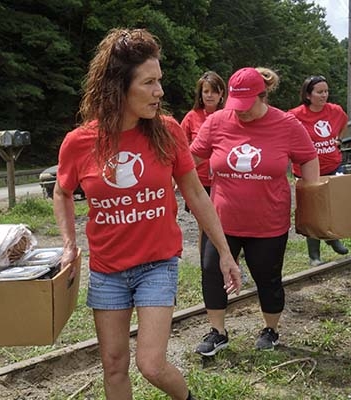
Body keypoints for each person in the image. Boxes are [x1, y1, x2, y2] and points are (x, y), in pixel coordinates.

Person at [53, 28, 242, 400]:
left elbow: (197, 195)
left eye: (160, 81)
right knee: (113, 363)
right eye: (149, 82)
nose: (159, 92)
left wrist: (223, 251)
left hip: (157, 264)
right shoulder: (79, 143)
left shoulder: (168, 132)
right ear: (117, 87)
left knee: (151, 364)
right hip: (107, 271)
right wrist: (68, 244)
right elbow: (62, 191)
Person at [190, 67, 319, 354]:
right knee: (212, 271)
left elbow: (308, 158)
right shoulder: (217, 122)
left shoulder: (286, 124)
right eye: (236, 106)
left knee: (266, 276)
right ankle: (217, 332)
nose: (241, 113)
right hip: (221, 219)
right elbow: (193, 156)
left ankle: (270, 329)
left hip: (268, 222)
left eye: (247, 107)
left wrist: (312, 193)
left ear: (263, 96)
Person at [288, 75, 350, 266]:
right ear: (308, 95)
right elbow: (283, 132)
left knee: (333, 207)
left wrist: (338, 140)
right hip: (307, 171)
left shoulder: (336, 111)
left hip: (333, 165)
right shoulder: (295, 115)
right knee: (311, 212)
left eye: (326, 91)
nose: (324, 95)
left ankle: (333, 238)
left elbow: (344, 124)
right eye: (319, 92)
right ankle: (314, 255)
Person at [180, 71, 226, 265]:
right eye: (205, 91)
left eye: (214, 91)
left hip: (224, 181)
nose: (209, 95)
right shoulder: (191, 117)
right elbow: (181, 148)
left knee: (225, 227)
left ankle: (229, 262)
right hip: (199, 182)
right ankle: (206, 266)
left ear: (222, 93)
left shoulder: (229, 115)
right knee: (205, 227)